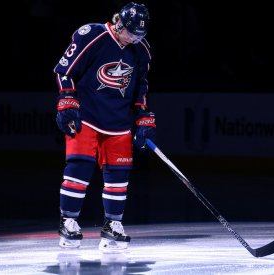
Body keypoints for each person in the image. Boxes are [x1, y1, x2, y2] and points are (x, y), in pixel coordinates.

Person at [52, 2, 156, 251]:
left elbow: (140, 85)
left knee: (119, 176)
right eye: (131, 32)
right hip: (86, 117)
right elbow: (63, 70)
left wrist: (142, 115)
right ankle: (69, 222)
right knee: (79, 166)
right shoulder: (93, 35)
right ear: (119, 23)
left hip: (119, 122)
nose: (134, 38)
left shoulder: (142, 50)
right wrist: (66, 100)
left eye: (140, 34)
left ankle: (113, 226)